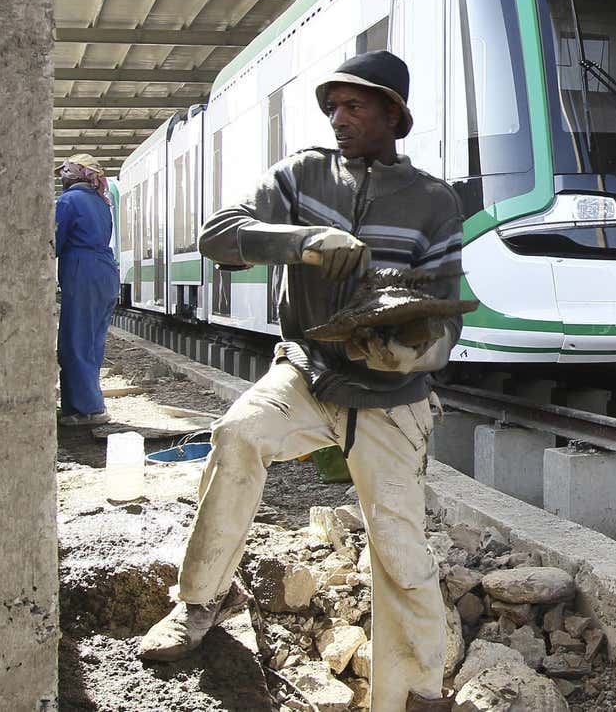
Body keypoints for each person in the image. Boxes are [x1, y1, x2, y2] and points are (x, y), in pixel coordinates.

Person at [138, 51, 462, 712]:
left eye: (355, 106)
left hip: (390, 401)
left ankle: (417, 690)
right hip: (306, 375)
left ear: (392, 114)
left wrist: (415, 355)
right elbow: (219, 237)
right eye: (332, 107)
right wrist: (303, 240)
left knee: (399, 546)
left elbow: (449, 311)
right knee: (237, 435)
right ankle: (202, 600)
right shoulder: (301, 175)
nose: (339, 119)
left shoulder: (433, 201)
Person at [55, 153, 120, 427]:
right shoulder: (101, 203)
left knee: (74, 342)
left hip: (83, 271)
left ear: (77, 174)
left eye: (65, 171)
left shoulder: (68, 201)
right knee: (92, 343)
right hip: (105, 272)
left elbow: (54, 241)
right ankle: (75, 408)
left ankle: (90, 409)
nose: (62, 175)